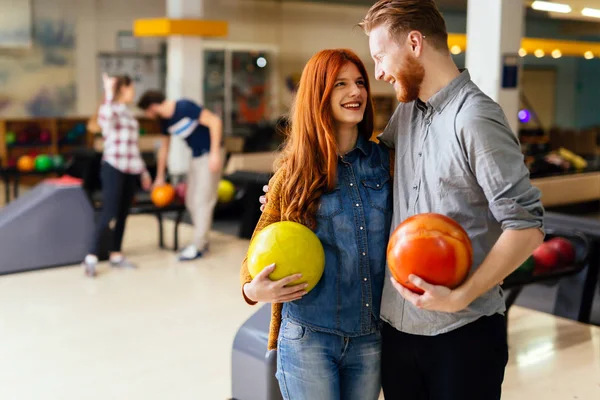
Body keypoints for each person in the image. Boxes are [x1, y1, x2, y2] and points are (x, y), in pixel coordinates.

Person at [358, 1, 545, 399]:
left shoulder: (476, 118)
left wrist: (461, 295)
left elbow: (526, 226)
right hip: (398, 328)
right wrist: (289, 188)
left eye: (379, 57)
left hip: (462, 335)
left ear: (413, 43)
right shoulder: (407, 112)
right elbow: (365, 170)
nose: (378, 72)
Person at [240, 49, 392, 400]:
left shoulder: (385, 162)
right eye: (340, 84)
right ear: (318, 94)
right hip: (307, 339)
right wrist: (252, 291)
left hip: (370, 338)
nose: (355, 92)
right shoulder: (292, 174)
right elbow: (256, 252)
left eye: (358, 83)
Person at [136, 91, 223, 261]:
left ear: (152, 107)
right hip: (196, 156)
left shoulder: (184, 107)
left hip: (210, 154)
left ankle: (198, 246)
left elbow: (215, 122)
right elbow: (164, 149)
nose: (147, 115)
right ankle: (201, 241)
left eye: (147, 111)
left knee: (203, 200)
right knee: (191, 200)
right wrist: (160, 176)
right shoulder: (165, 121)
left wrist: (215, 153)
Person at [81, 74, 152, 277]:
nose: (134, 93)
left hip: (130, 169)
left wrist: (144, 173)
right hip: (113, 168)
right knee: (108, 212)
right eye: (132, 88)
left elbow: (133, 148)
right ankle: (91, 257)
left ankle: (116, 254)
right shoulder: (111, 110)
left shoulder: (128, 114)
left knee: (122, 213)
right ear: (123, 89)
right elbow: (105, 120)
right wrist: (109, 92)